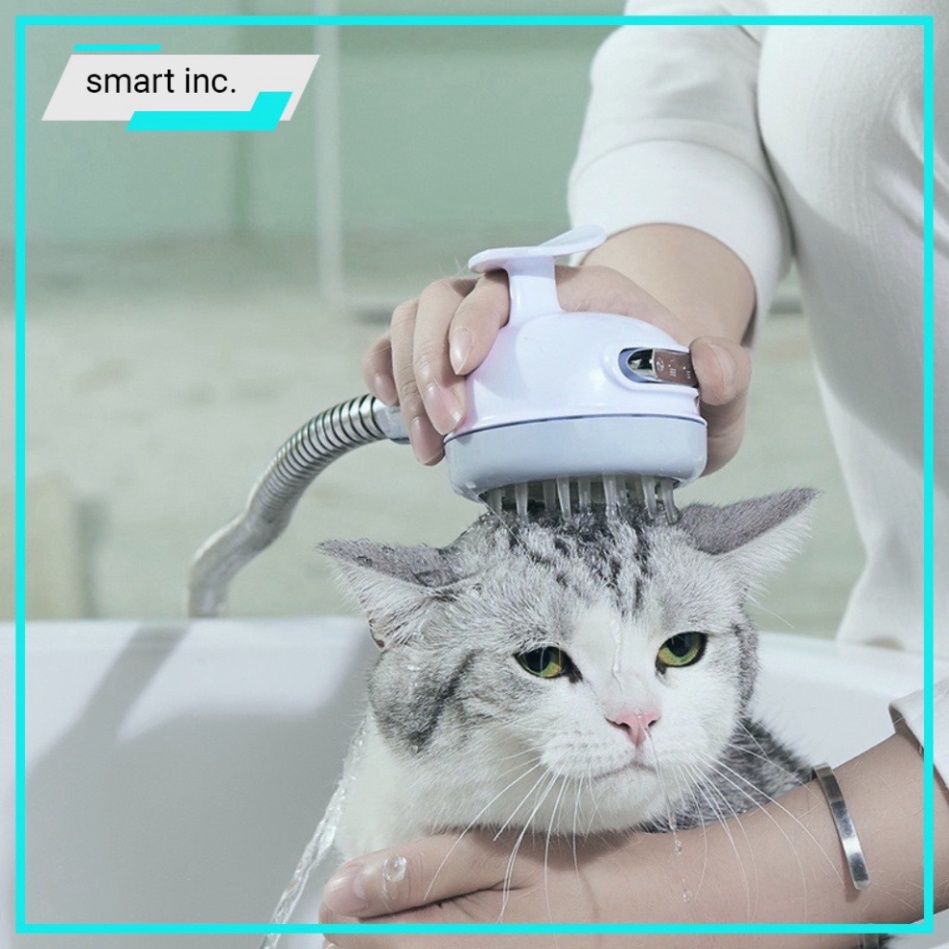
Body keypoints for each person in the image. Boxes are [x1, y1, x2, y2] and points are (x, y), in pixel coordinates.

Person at [320, 2, 947, 945]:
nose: (634, 720)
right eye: (544, 661)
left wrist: (768, 873)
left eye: (681, 649)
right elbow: (711, 43)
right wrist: (635, 324)